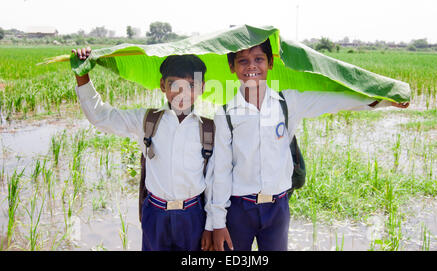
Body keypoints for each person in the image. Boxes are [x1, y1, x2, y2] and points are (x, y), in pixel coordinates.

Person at [211, 39, 409, 251]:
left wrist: (384, 99)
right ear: (232, 67)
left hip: (277, 208)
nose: (251, 66)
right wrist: (218, 222)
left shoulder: (288, 102)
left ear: (270, 63)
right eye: (243, 60)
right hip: (239, 209)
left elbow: (335, 100)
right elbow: (221, 170)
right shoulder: (225, 114)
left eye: (259, 59)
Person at [72, 47, 214, 251]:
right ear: (162, 85)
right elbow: (101, 117)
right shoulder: (146, 119)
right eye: (175, 84)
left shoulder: (208, 128)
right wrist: (82, 76)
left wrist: (211, 225)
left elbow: (215, 182)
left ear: (202, 88)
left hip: (193, 214)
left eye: (191, 85)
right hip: (155, 213)